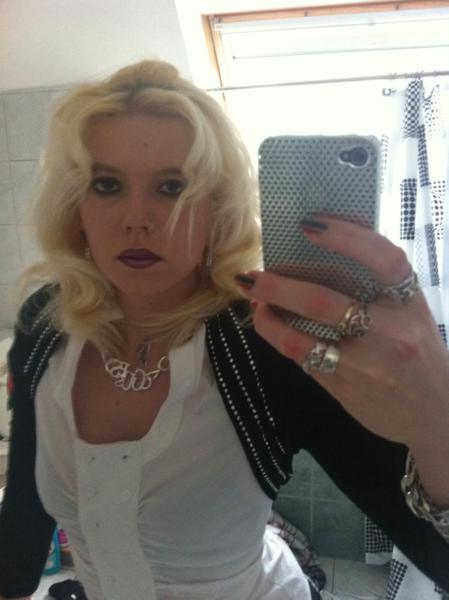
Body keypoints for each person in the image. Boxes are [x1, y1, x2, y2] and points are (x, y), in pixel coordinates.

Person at [0, 59, 448, 600]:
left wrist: (436, 426)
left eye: (171, 187)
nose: (136, 218)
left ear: (216, 208)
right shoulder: (46, 322)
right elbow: (23, 514)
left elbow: (435, 552)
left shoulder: (267, 341)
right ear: (77, 205)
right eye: (107, 184)